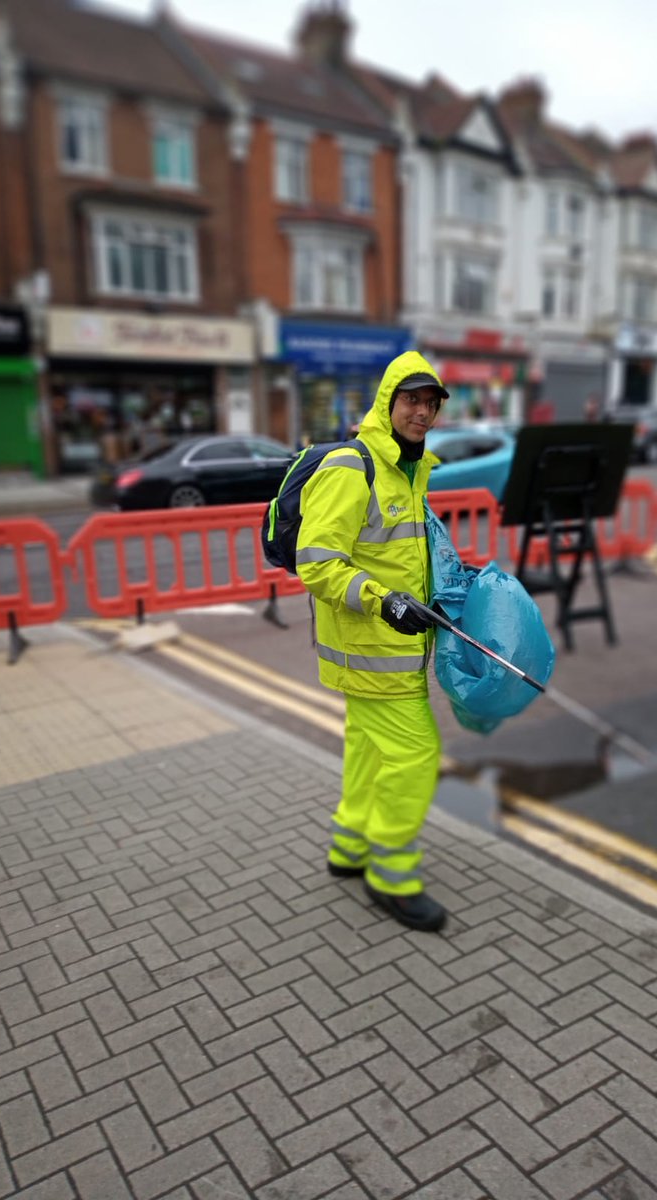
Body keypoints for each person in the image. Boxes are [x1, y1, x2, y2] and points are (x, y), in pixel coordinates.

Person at [296, 351, 449, 932]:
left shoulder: (410, 469)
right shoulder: (349, 465)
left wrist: (428, 592)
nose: (422, 412)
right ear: (387, 403)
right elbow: (317, 560)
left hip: (391, 648)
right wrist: (383, 599)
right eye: (411, 399)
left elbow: (399, 556)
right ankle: (391, 875)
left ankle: (350, 847)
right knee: (415, 755)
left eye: (431, 402)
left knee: (368, 750)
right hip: (373, 651)